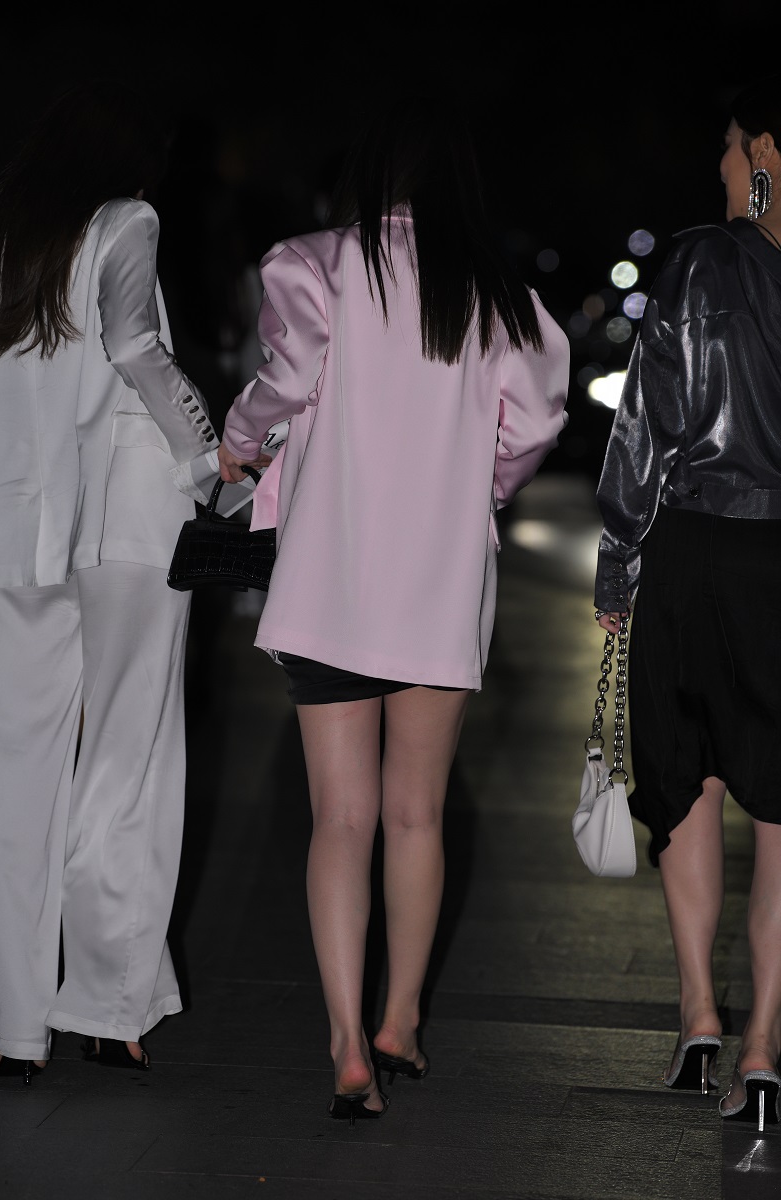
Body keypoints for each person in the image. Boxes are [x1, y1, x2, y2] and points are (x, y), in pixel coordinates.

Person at [217, 95, 570, 1122]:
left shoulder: (317, 264)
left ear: (371, 172)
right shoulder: (494, 295)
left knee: (340, 817)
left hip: (331, 576)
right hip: (436, 583)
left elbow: (284, 381)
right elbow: (534, 424)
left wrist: (239, 439)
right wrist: (481, 485)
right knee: (417, 812)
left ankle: (343, 1043)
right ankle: (400, 1019)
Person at [0, 79, 219, 1082]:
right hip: (118, 514)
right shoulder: (126, 219)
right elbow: (135, 346)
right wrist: (209, 458)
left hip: (6, 527)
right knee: (129, 753)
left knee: (13, 773)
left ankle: (12, 1024)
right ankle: (106, 1003)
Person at [594, 74, 781, 1129]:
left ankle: (700, 1016)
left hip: (694, 552)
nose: (719, 165)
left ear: (765, 152)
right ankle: (764, 1048)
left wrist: (616, 559)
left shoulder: (700, 261)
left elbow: (647, 420)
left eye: (730, 146)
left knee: (689, 783)